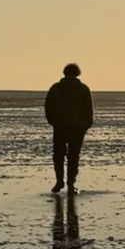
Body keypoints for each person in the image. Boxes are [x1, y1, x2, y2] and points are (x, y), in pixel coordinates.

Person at [43, 62, 94, 192]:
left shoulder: (56, 88)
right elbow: (89, 110)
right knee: (73, 156)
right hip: (76, 129)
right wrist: (86, 125)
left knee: (59, 155)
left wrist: (53, 121)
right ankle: (70, 184)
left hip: (60, 127)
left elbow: (48, 107)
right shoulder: (83, 89)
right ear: (77, 74)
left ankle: (60, 181)